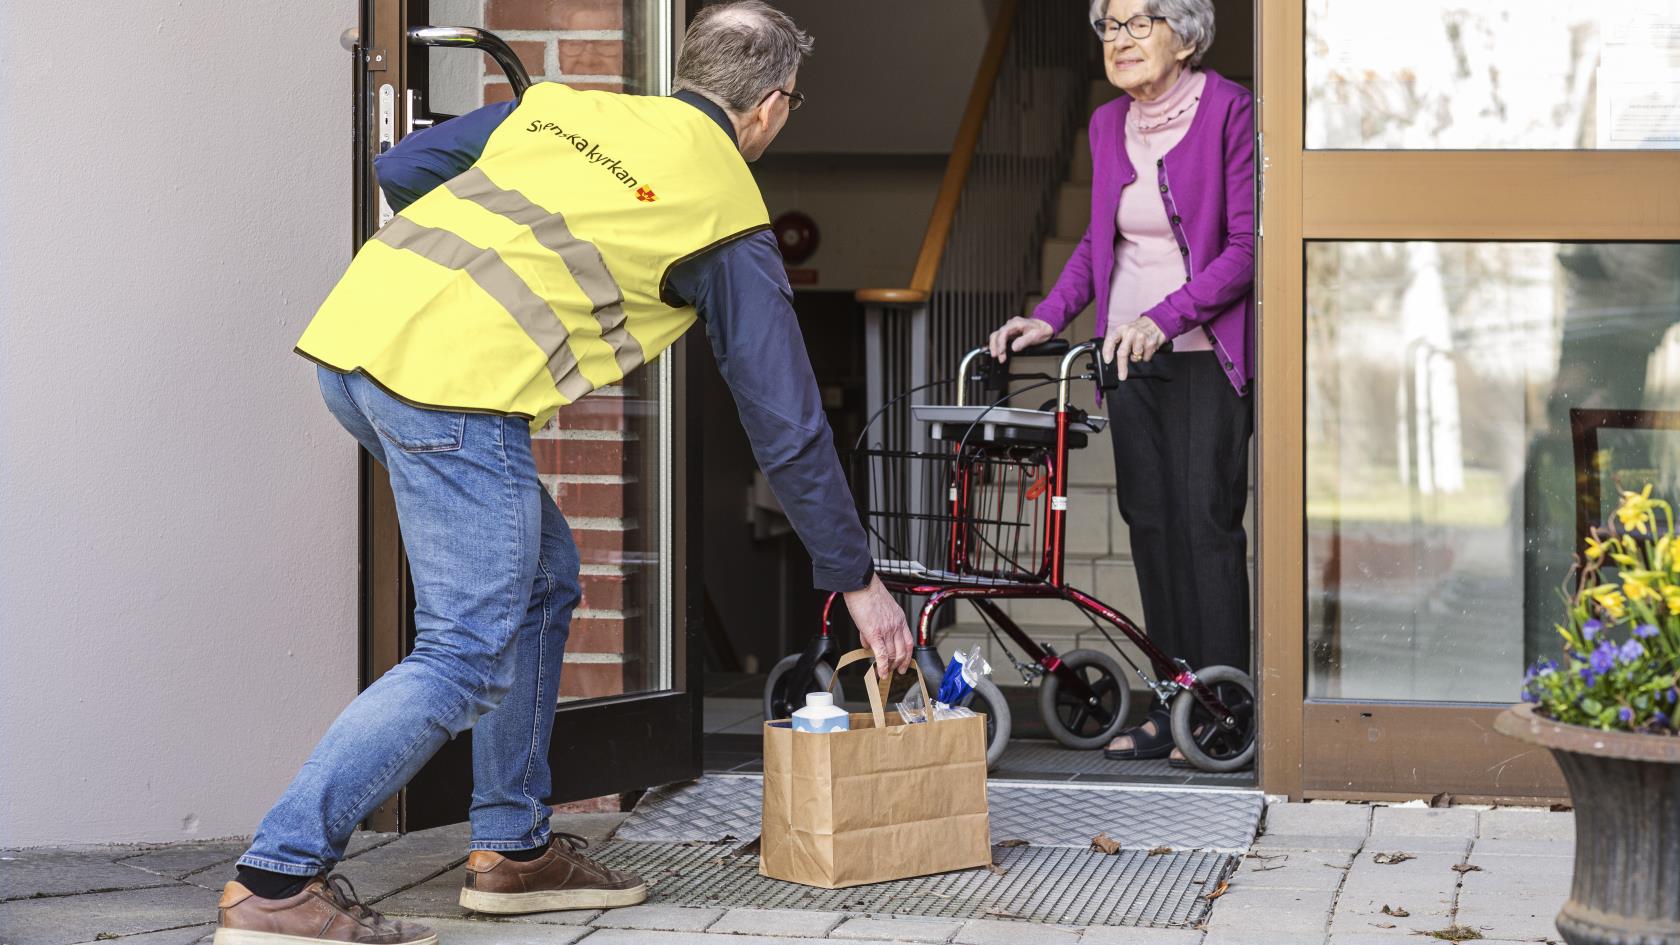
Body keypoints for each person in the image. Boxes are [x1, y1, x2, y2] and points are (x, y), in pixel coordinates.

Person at [213, 4, 914, 942]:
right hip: (450, 393)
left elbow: (403, 168)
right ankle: (276, 879)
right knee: (466, 652)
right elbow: (786, 426)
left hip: (354, 347)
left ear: (689, 66)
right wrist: (856, 577)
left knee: (542, 581)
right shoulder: (725, 213)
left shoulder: (571, 109)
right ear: (774, 105)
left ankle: (513, 848)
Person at [987, 0, 1254, 764]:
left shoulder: (1230, 111)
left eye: (1140, 22)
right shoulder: (1109, 125)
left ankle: (1224, 708)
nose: (1121, 40)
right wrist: (1049, 317)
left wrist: (1165, 318)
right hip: (1128, 357)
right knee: (1153, 528)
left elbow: (1241, 249)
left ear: (1185, 33)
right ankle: (1174, 705)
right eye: (1110, 25)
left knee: (1206, 526)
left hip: (1206, 354)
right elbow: (1095, 244)